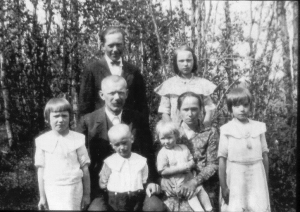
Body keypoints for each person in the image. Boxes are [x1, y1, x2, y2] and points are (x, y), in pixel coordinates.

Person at [77, 75, 165, 211]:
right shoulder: (88, 122)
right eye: (112, 93)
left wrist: (152, 181)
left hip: (136, 186)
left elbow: (148, 153)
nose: (117, 97)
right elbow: (80, 160)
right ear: (102, 95)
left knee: (156, 208)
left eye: (121, 93)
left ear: (127, 94)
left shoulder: (138, 119)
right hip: (101, 189)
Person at [161, 92, 219, 211]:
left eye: (194, 109)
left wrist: (194, 182)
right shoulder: (170, 133)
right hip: (175, 185)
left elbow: (213, 164)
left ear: (201, 109)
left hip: (202, 186)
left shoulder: (210, 132)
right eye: (185, 109)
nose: (190, 114)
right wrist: (163, 179)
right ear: (178, 110)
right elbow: (161, 160)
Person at [78, 26, 148, 120]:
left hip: (128, 128)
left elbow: (142, 106)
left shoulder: (133, 71)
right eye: (111, 45)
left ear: (124, 45)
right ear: (103, 46)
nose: (115, 49)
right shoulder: (92, 70)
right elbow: (84, 107)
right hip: (100, 128)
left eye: (119, 45)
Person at [218, 87, 270, 212]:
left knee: (258, 207)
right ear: (230, 107)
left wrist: (265, 180)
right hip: (236, 176)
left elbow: (265, 156)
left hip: (256, 175)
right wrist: (224, 186)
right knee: (236, 207)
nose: (242, 109)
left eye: (245, 105)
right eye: (237, 105)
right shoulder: (226, 129)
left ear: (250, 106)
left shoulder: (259, 127)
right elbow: (222, 159)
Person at [34, 98, 91, 210]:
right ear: (47, 119)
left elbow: (85, 169)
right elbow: (41, 172)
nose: (60, 120)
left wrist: (86, 195)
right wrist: (42, 197)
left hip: (73, 187)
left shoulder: (77, 139)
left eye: (64, 116)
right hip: (53, 188)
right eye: (56, 116)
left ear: (70, 117)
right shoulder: (42, 141)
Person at [156, 120, 213, 212]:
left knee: (200, 189)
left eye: (169, 138)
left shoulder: (183, 147)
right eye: (163, 138)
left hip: (188, 178)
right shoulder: (163, 153)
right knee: (191, 194)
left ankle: (209, 209)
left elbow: (191, 161)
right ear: (158, 138)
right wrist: (180, 169)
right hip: (176, 183)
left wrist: (189, 165)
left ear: (176, 136)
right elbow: (162, 171)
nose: (166, 141)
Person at [154, 44, 216, 127]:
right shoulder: (169, 84)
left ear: (193, 61)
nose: (185, 64)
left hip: (198, 130)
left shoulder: (202, 83)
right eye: (181, 61)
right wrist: (172, 129)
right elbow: (165, 111)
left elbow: (209, 108)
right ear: (176, 62)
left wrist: (206, 124)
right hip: (176, 131)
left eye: (189, 60)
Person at [99, 124, 149, 211]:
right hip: (115, 198)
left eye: (124, 143)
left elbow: (144, 179)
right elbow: (103, 182)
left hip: (136, 196)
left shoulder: (140, 161)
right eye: (117, 145)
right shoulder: (110, 162)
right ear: (112, 145)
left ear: (132, 139)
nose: (122, 147)